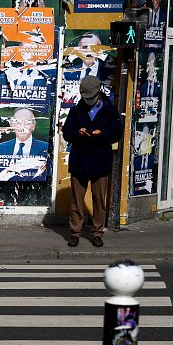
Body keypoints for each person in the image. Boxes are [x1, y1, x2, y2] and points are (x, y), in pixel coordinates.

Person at [60, 75, 123, 248]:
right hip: (80, 160)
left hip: (100, 161)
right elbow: (66, 133)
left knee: (98, 199)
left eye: (90, 98)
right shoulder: (75, 110)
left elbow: (117, 133)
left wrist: (101, 133)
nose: (87, 101)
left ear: (98, 93)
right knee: (76, 200)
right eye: (85, 97)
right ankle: (75, 233)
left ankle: (97, 232)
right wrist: (77, 133)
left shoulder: (110, 111)